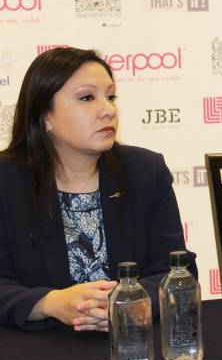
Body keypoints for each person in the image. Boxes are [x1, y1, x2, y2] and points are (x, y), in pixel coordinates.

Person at [0, 47, 197, 331]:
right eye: (87, 98)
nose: (108, 110)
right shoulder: (7, 180)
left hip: (131, 340)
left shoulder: (145, 171)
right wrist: (49, 303)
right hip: (37, 348)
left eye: (111, 96)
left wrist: (128, 302)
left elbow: (177, 270)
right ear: (45, 117)